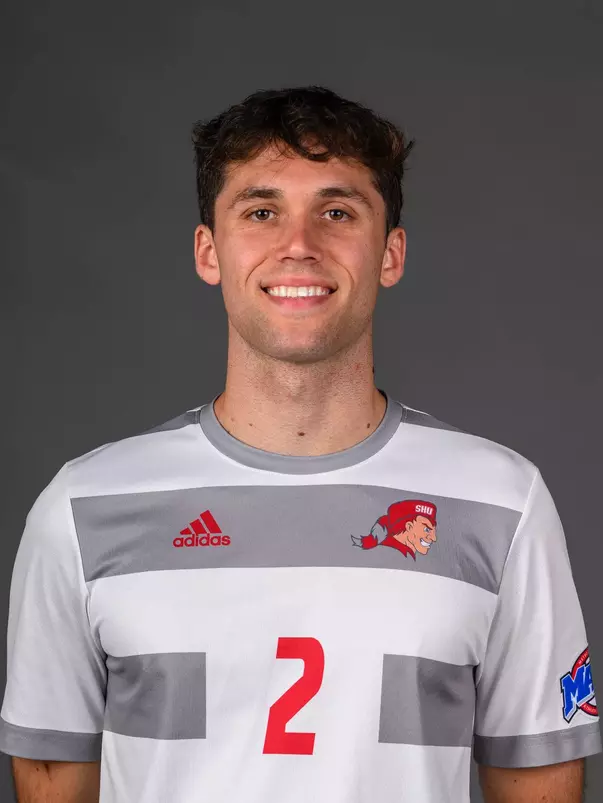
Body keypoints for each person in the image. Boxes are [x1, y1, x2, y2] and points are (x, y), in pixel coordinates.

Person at [0, 85, 600, 803]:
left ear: (390, 253)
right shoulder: (81, 509)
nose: (298, 246)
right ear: (208, 251)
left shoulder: (503, 502)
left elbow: (537, 784)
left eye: (337, 211)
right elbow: (53, 783)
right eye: (260, 211)